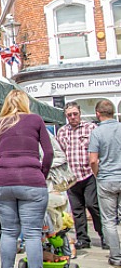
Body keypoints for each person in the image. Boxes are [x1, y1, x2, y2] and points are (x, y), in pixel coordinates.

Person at [0, 89, 55, 268]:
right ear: (26, 102)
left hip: (3, 182)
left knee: (8, 233)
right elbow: (49, 152)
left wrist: (1, 170)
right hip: (31, 180)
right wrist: (41, 173)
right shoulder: (35, 120)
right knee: (33, 234)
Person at [56, 101, 105, 250]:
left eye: (75, 114)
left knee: (92, 205)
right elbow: (61, 153)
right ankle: (83, 238)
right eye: (69, 115)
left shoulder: (91, 128)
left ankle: (104, 235)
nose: (72, 117)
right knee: (77, 210)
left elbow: (99, 149)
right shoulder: (62, 132)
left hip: (88, 174)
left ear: (80, 114)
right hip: (72, 177)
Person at [88, 100, 121, 267]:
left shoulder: (97, 132)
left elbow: (93, 160)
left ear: (98, 114)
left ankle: (116, 256)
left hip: (106, 178)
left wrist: (97, 174)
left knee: (109, 220)